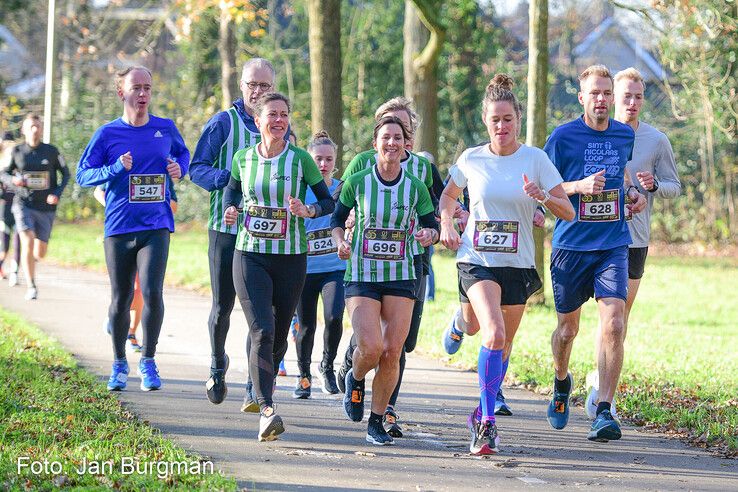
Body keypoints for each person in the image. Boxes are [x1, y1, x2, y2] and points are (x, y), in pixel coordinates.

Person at [438, 75, 574, 455]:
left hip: (517, 264)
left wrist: (543, 196)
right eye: (495, 119)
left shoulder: (536, 159)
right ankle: (487, 423)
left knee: (503, 343)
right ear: (486, 120)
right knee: (490, 332)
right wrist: (447, 222)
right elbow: (448, 195)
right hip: (477, 259)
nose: (501, 126)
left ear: (518, 119)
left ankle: (480, 408)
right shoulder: (471, 158)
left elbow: (568, 211)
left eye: (508, 119)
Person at [542, 64, 646, 442]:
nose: (602, 99)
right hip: (570, 246)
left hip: (612, 244)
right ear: (582, 97)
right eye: (595, 93)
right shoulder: (563, 137)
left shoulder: (623, 135)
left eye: (607, 93)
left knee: (615, 323)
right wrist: (578, 186)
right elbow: (545, 188)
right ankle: (560, 381)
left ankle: (604, 408)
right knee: (568, 331)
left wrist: (631, 196)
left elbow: (622, 180)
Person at [223, 91, 334, 442]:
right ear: (258, 121)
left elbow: (328, 201)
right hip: (250, 254)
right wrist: (230, 208)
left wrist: (309, 210)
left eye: (284, 114)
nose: (279, 120)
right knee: (262, 330)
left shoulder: (300, 159)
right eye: (272, 114)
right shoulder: (243, 158)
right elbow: (231, 192)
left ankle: (258, 385)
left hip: (290, 258)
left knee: (280, 334)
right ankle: (266, 408)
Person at [77, 65, 190, 392]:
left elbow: (183, 157)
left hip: (155, 224)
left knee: (153, 292)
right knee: (121, 297)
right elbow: (83, 175)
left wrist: (177, 168)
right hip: (120, 227)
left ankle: (149, 360)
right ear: (121, 92)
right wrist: (115, 168)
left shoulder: (165, 129)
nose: (143, 94)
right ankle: (118, 363)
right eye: (136, 88)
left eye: (147, 88)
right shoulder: (107, 134)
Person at [337, 97, 440, 438]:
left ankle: (377, 420)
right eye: (386, 137)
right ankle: (354, 376)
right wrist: (341, 239)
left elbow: (431, 223)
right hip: (363, 274)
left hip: (403, 273)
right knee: (371, 347)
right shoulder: (360, 178)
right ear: (375, 143)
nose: (392, 143)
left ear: (407, 142)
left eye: (399, 137)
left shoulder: (416, 184)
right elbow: (337, 216)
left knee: (393, 350)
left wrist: (430, 233)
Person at [584, 67, 682, 418]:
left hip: (636, 240)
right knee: (608, 319)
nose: (633, 102)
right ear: (612, 97)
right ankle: (600, 390)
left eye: (639, 97)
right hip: (598, 237)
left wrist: (654, 185)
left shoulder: (656, 141)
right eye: (626, 96)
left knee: (618, 320)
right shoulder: (597, 135)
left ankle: (601, 380)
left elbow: (675, 186)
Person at [189, 58, 286, 406]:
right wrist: (229, 183)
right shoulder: (223, 124)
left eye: (264, 85)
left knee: (263, 315)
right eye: (251, 85)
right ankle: (217, 364)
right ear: (241, 86)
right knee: (223, 306)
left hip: (266, 237)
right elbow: (195, 168)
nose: (257, 91)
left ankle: (253, 382)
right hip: (226, 230)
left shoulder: (281, 127)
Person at [94, 179, 179, 352]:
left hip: (151, 235)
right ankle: (117, 315)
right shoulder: (123, 160)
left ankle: (131, 332)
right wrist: (116, 206)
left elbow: (173, 205)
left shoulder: (158, 163)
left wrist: (154, 211)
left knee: (143, 289)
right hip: (121, 231)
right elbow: (98, 191)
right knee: (124, 292)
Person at [292, 131, 346, 398]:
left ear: (335, 162)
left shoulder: (340, 189)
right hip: (304, 268)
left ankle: (327, 365)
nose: (323, 164)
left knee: (334, 316)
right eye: (318, 159)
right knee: (306, 325)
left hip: (334, 267)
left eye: (328, 159)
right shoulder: (299, 189)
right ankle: (303, 375)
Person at [1, 114, 70, 300]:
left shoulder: (51, 151)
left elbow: (66, 174)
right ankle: (32, 286)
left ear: (41, 129)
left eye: (37, 126)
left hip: (46, 208)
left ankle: (29, 262)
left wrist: (56, 193)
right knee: (27, 241)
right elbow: (4, 174)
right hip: (23, 204)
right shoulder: (17, 152)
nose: (35, 130)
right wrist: (14, 180)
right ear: (23, 130)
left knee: (40, 251)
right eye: (31, 126)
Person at [0, 131, 19, 281]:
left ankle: (15, 271)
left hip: (19, 206)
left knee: (19, 239)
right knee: (5, 243)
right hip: (4, 208)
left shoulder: (20, 161)